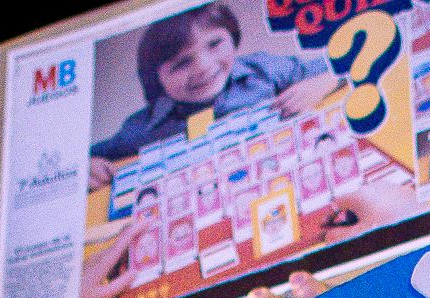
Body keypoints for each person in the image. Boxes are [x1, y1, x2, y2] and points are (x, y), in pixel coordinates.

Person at [90, 5, 334, 182]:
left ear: (232, 37)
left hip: (281, 173)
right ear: (155, 81)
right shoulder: (142, 128)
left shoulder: (262, 69)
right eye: (181, 63)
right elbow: (86, 159)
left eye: (215, 44)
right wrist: (90, 168)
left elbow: (345, 64)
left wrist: (322, 83)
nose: (204, 67)